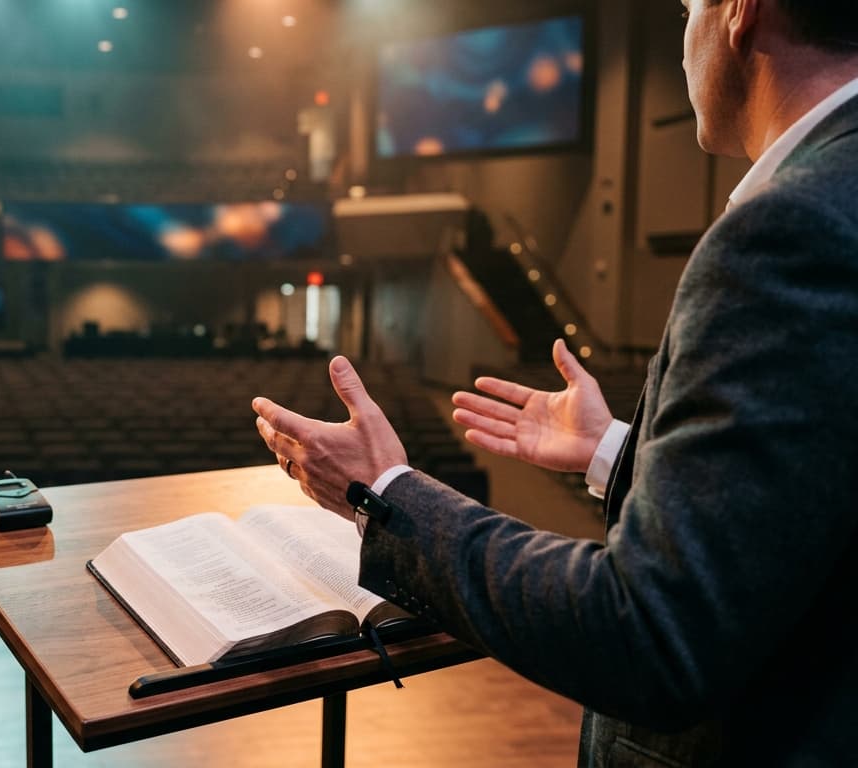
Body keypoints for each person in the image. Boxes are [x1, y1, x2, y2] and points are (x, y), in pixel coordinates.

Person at [252, 0, 858, 764]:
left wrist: (388, 492)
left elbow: (650, 635)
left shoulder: (790, 231)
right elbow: (811, 512)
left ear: (739, 11)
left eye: (688, 6)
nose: (683, 36)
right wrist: (612, 449)